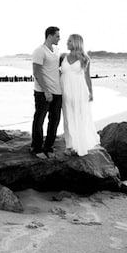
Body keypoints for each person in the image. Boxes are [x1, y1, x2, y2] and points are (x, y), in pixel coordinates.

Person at [60, 34, 100, 156]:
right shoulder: (62, 57)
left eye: (70, 41)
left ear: (77, 42)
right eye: (67, 41)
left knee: (80, 117)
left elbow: (87, 77)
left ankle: (80, 145)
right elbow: (56, 72)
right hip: (65, 90)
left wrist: (91, 92)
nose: (67, 43)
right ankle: (69, 145)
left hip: (79, 91)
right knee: (67, 117)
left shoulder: (85, 58)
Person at [31, 26, 62, 157]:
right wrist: (46, 91)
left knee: (54, 121)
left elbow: (57, 69)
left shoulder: (56, 51)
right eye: (57, 36)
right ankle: (36, 148)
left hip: (57, 92)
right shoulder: (39, 51)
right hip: (43, 92)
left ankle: (48, 147)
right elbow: (36, 72)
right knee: (39, 120)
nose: (59, 38)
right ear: (49, 36)